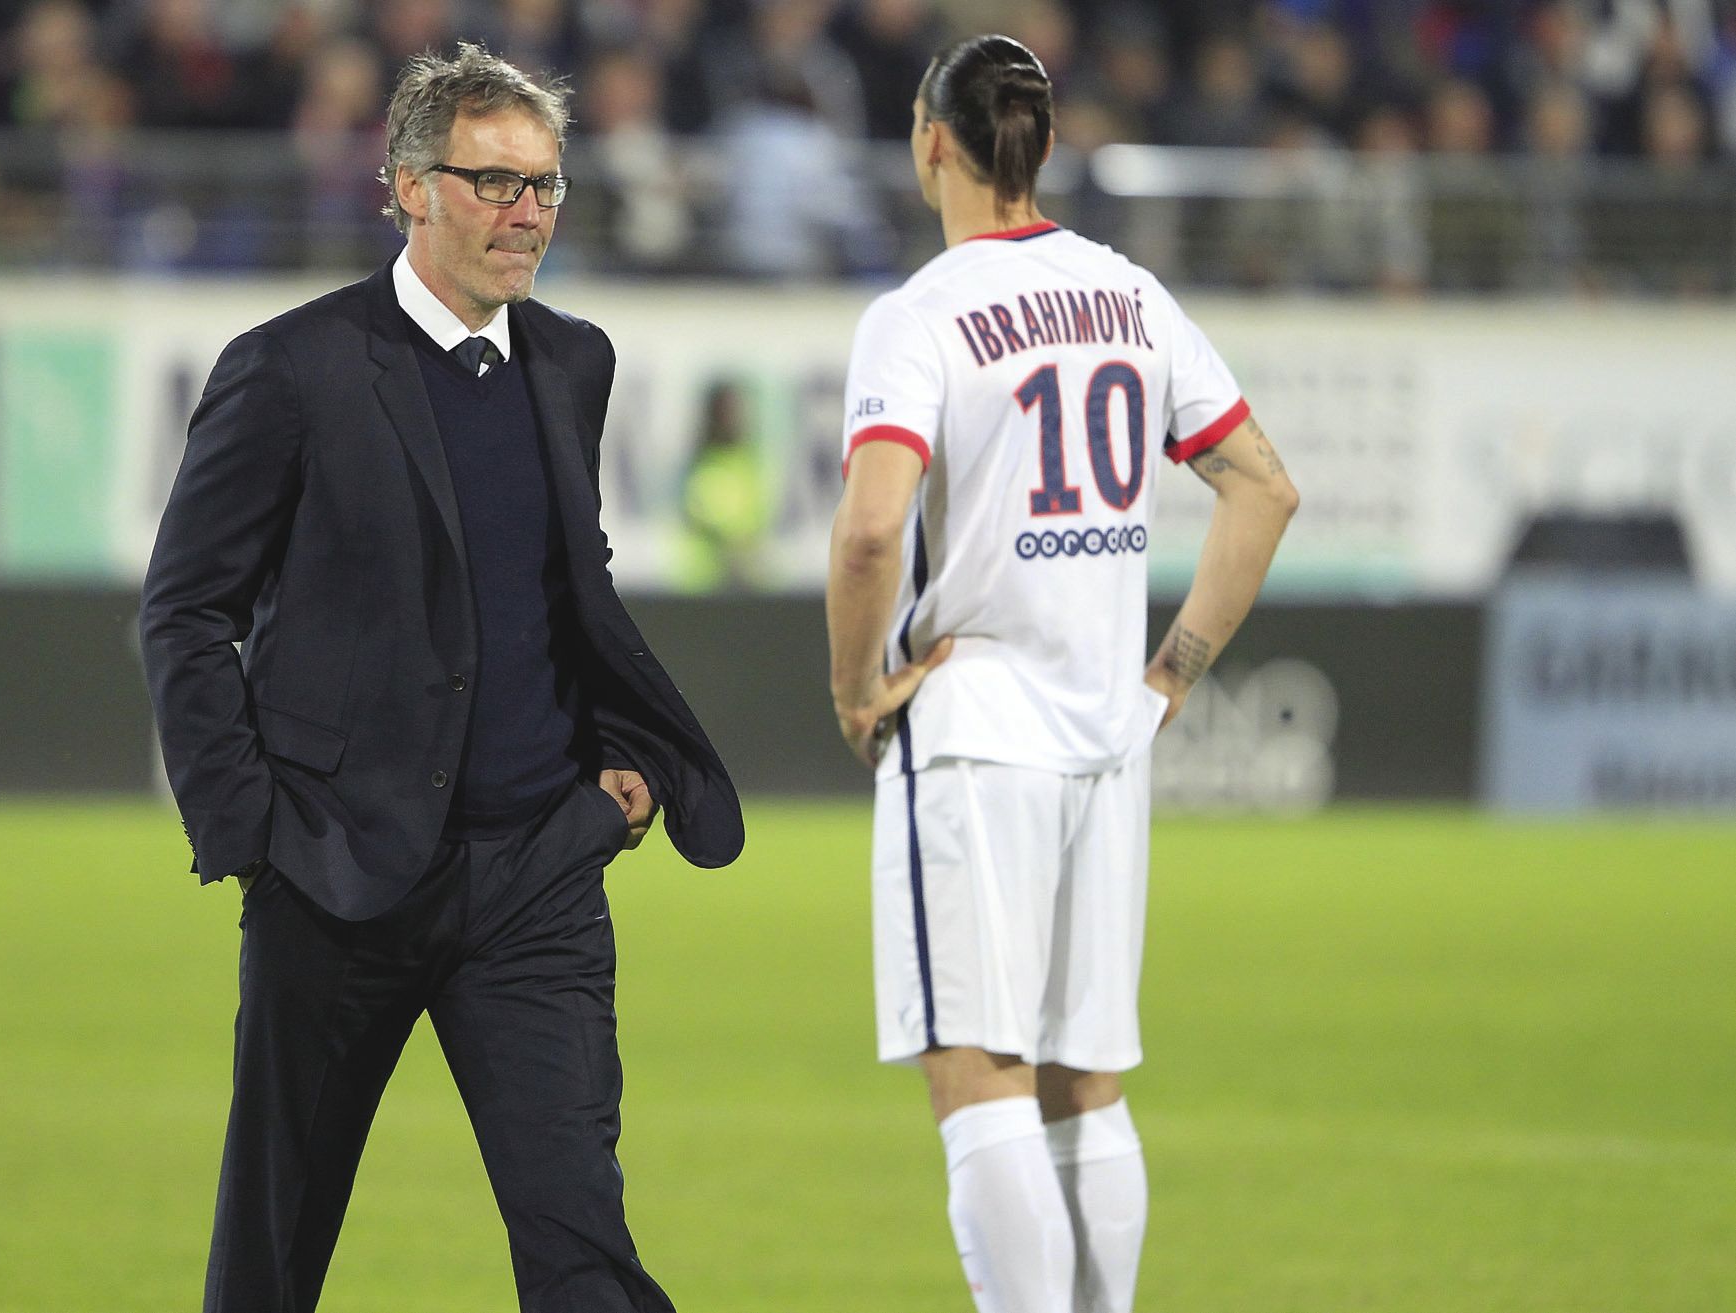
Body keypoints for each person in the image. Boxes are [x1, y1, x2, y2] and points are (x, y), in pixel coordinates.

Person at [139, 43, 742, 1313]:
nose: (526, 214)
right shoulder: (291, 366)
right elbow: (187, 608)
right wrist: (250, 830)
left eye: (545, 186)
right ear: (409, 187)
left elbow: (569, 585)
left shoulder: (573, 362)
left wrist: (613, 779)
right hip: (336, 877)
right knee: (272, 1255)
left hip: (534, 876)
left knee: (585, 1248)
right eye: (493, 183)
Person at [825, 35, 1298, 1313]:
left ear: (932, 140)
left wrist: (857, 686)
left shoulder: (919, 313)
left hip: (976, 728)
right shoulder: (1128, 294)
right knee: (1083, 1078)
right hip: (1105, 732)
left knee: (975, 1074)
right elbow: (1262, 485)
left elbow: (872, 527)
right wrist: (1169, 678)